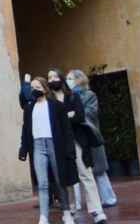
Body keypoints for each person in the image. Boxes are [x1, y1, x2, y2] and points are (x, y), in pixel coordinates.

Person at [47, 69, 107, 223]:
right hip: (60, 143)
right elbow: (51, 123)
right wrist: (68, 115)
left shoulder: (73, 96)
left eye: (55, 76)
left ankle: (97, 210)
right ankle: (71, 208)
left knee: (85, 174)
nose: (52, 79)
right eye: (49, 77)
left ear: (61, 78)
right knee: (66, 176)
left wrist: (65, 118)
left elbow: (80, 116)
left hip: (77, 140)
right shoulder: (49, 101)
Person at [19, 76, 79, 224]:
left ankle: (66, 212)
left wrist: (70, 150)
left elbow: (66, 130)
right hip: (37, 145)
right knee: (42, 183)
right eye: (32, 88)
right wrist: (23, 149)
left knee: (60, 180)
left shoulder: (56, 106)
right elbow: (26, 129)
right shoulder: (28, 108)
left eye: (37, 87)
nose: (34, 91)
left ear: (45, 89)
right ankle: (44, 216)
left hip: (55, 144)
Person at [67, 69, 117, 207]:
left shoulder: (89, 95)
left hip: (90, 136)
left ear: (78, 79)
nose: (68, 81)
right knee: (80, 172)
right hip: (76, 138)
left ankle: (108, 198)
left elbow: (91, 112)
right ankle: (78, 203)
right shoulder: (68, 97)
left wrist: (76, 114)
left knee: (99, 170)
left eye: (70, 78)